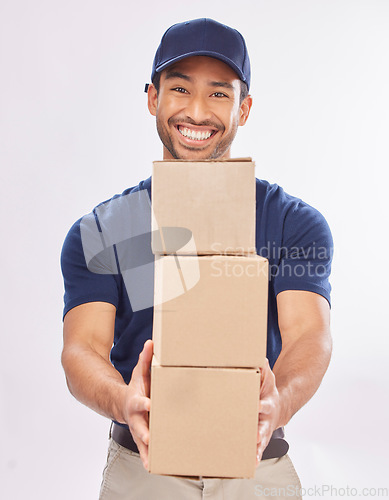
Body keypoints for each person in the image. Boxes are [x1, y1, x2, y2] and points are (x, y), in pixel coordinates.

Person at [61, 18, 333, 500]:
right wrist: (125, 401)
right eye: (180, 89)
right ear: (152, 98)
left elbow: (308, 336)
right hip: (142, 467)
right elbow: (82, 349)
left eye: (219, 94)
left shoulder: (291, 223)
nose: (197, 111)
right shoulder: (106, 230)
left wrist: (280, 401)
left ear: (244, 108)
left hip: (256, 465)